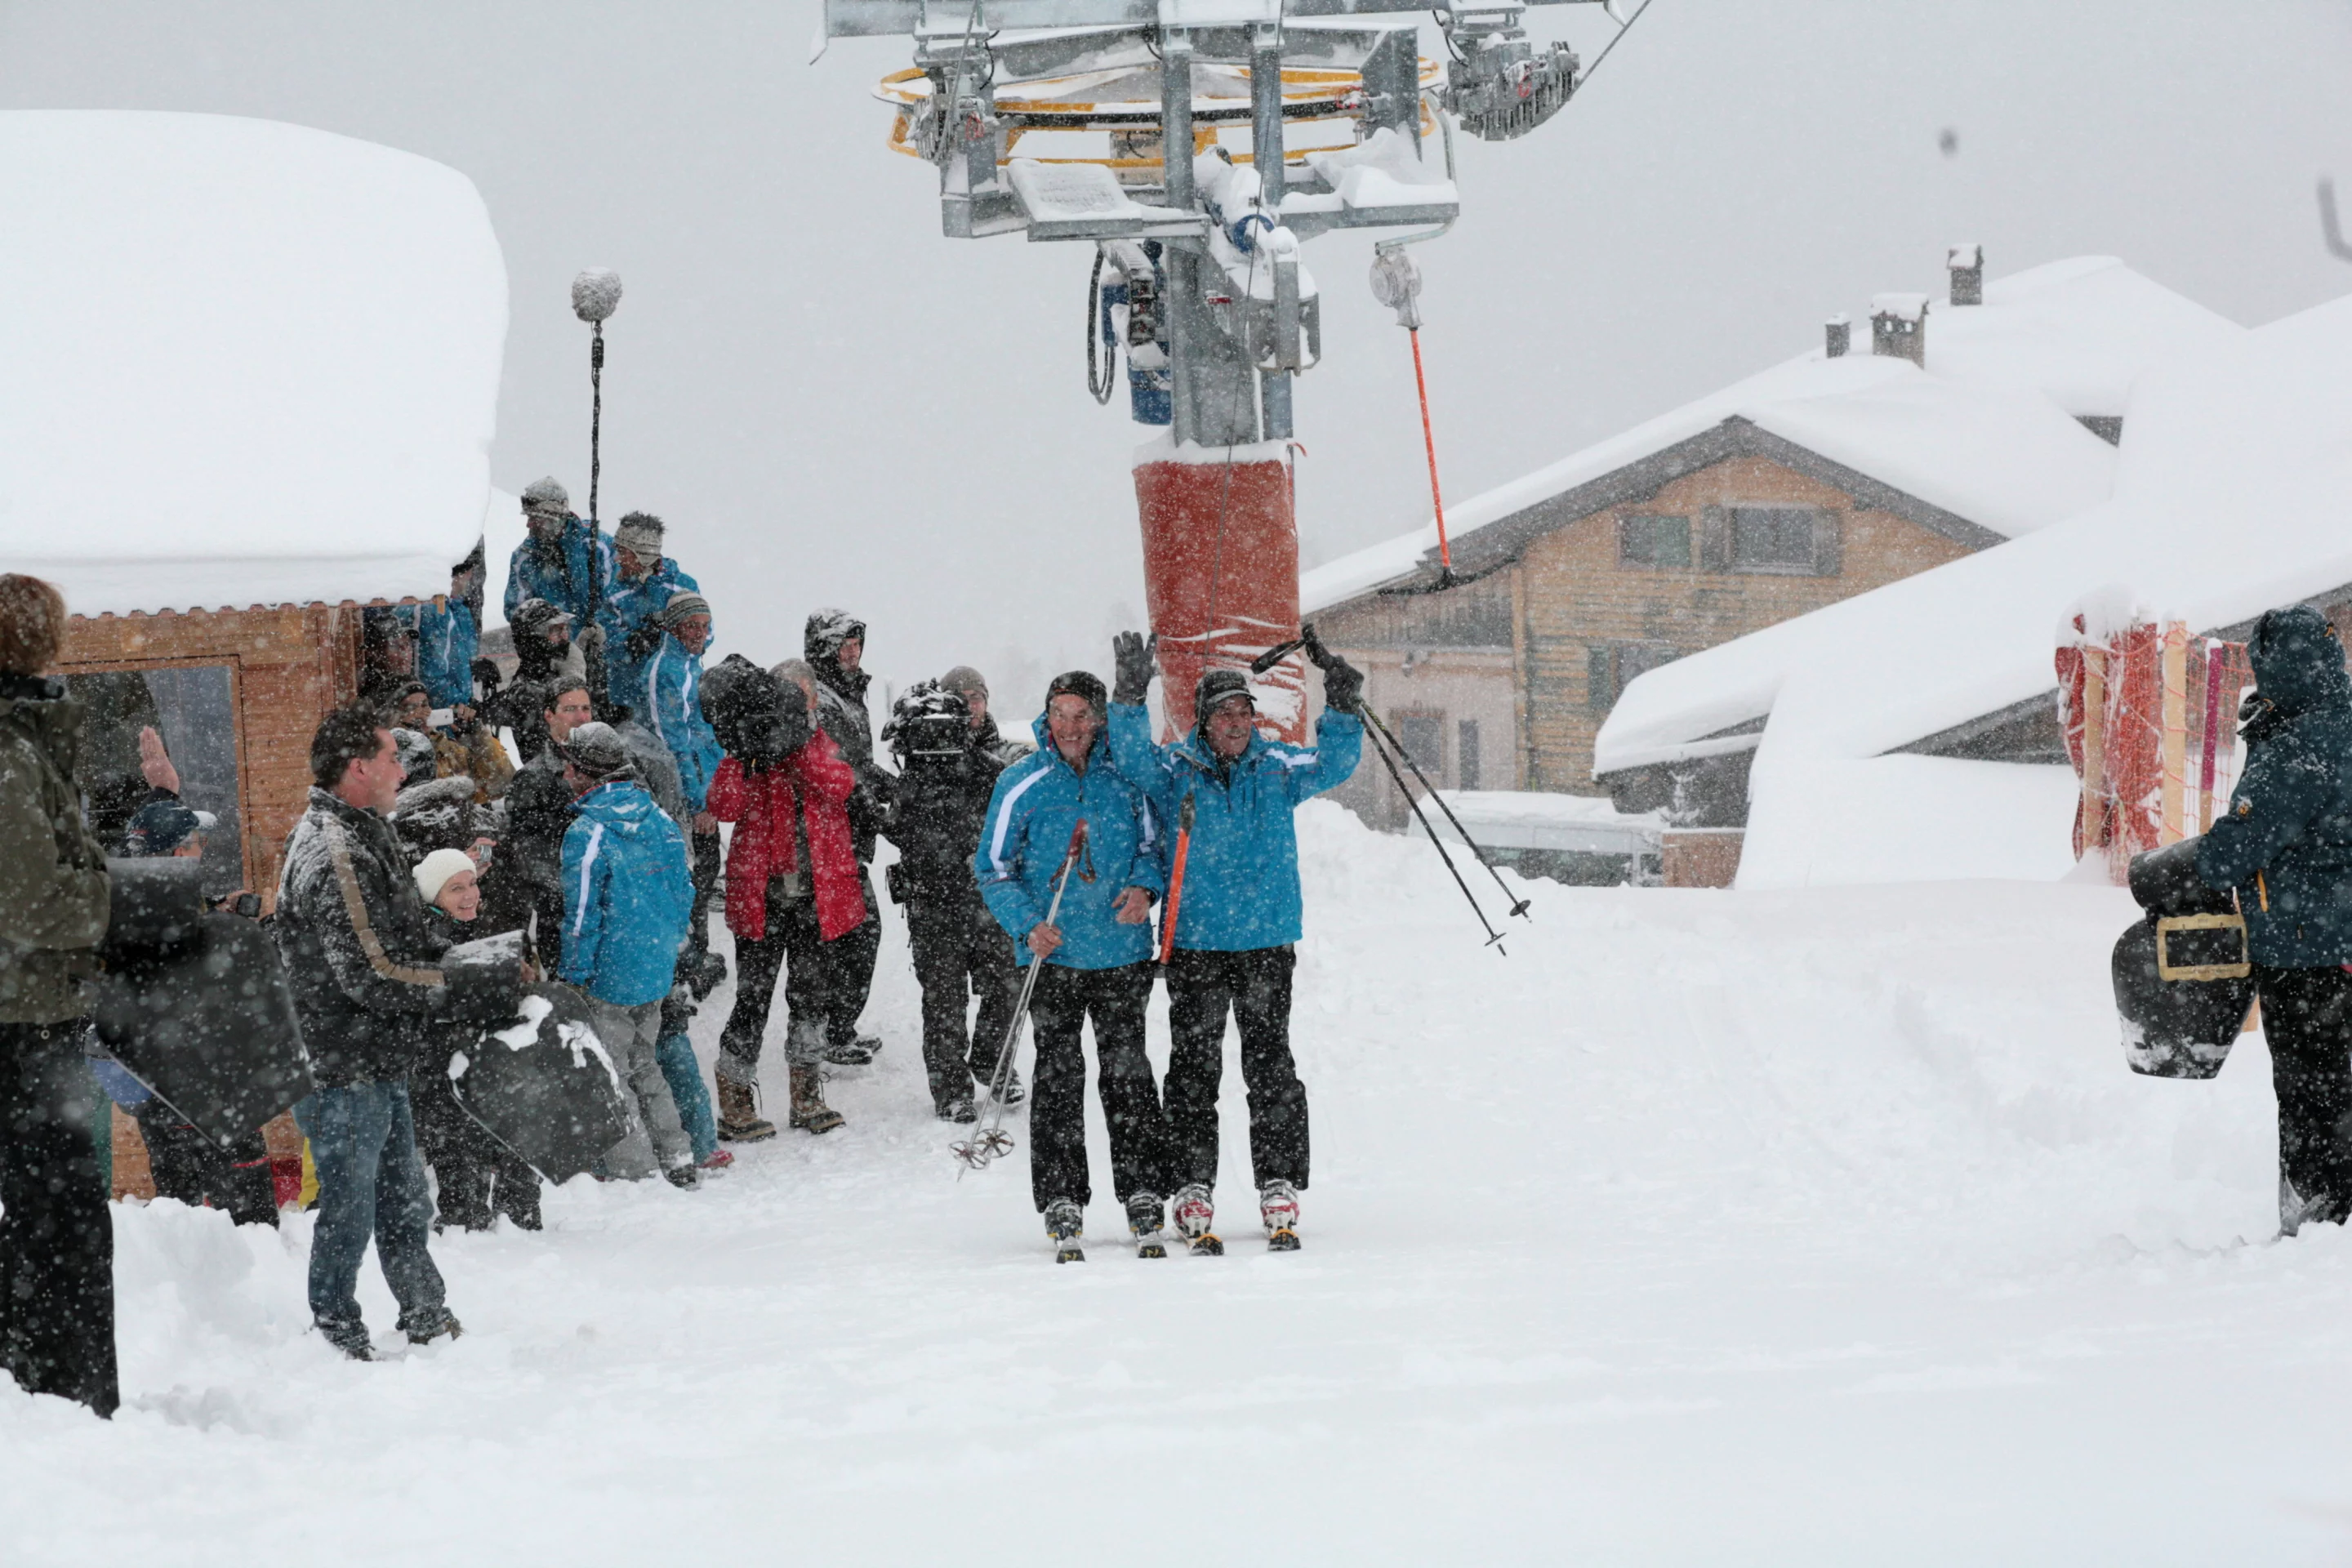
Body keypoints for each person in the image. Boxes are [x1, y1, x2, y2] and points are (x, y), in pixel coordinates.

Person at [1103, 633, 1364, 1253]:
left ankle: (1277, 1180)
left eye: (1245, 713)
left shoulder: (1276, 769)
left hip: (1267, 942)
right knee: (1194, 1069)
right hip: (1195, 944)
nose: (1237, 723)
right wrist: (1128, 694)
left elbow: (1334, 763)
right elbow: (1131, 753)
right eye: (1225, 714)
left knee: (1271, 1063)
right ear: (1203, 721)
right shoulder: (1173, 771)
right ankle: (1192, 1181)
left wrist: (1345, 704)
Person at [278, 706, 514, 1358]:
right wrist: (467, 984)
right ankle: (334, 1331)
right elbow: (370, 971)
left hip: (377, 1054)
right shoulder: (334, 848)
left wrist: (469, 957)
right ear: (357, 768)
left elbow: (406, 934)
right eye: (390, 757)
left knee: (405, 1203)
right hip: (338, 1063)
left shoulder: (366, 829)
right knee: (351, 1210)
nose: (402, 768)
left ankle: (425, 1315)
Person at [975, 670, 1174, 1259]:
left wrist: (1144, 889)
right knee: (1059, 1078)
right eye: (1060, 714)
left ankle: (1142, 1189)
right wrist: (1025, 923)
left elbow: (1153, 849)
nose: (1070, 727)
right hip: (1053, 956)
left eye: (1082, 714)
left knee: (1128, 1075)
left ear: (1101, 719)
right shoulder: (1021, 782)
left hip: (1120, 954)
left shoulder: (1128, 778)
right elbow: (993, 865)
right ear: (1046, 718)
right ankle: (1063, 1196)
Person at [2193, 605, 2352, 1235]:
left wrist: (2197, 860)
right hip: (2333, 936)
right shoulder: (2337, 723)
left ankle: (2321, 1216)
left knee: (2313, 1088)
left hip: (2306, 946)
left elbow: (2241, 846)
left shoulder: (2300, 746)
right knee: (2332, 1081)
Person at [0, 573, 117, 1415]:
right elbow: (33, 900)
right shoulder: (8, 749)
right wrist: (112, 895)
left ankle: (49, 1393)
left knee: (56, 1220)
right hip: (23, 1018)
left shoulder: (25, 738)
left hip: (35, 1011)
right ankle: (62, 1400)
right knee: (61, 1224)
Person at [707, 660, 860, 1138]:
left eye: (800, 693)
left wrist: (794, 749)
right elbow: (723, 804)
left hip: (817, 896)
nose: (789, 702)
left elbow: (840, 785)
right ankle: (734, 1099)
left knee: (812, 997)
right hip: (763, 898)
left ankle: (807, 1095)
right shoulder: (747, 744)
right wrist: (746, 754)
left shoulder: (824, 743)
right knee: (753, 998)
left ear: (813, 698)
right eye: (782, 692)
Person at [116, 798, 279, 1227]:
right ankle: (254, 1279)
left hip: (156, 1085)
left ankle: (193, 1280)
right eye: (195, 842)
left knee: (180, 1205)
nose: (202, 849)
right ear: (176, 852)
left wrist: (216, 907)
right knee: (249, 1215)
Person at [555, 721, 701, 1188]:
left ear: (584, 772)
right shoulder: (659, 819)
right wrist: (668, 944)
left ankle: (635, 1172)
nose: (563, 773)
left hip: (609, 975)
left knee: (610, 1075)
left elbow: (581, 915)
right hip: (655, 967)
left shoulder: (588, 832)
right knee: (646, 1061)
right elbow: (685, 891)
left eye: (569, 765)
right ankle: (677, 1155)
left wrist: (573, 974)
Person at [883, 675, 1024, 1122]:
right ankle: (951, 1089)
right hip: (932, 904)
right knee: (944, 999)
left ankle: (993, 1060)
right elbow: (897, 828)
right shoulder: (914, 779)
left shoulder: (992, 767)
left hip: (990, 900)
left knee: (1006, 986)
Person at [407, 849, 542, 1231]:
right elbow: (444, 991)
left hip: (481, 1060)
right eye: (456, 889)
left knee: (512, 1133)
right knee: (459, 1145)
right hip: (440, 1066)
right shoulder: (426, 936)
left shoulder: (476, 924)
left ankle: (516, 1215)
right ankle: (466, 1221)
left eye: (472, 884)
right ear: (434, 896)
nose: (470, 895)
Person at [803, 609, 890, 1065]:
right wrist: (873, 807)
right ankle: (827, 1032)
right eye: (843, 644)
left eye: (857, 643)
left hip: (848, 836)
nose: (853, 652)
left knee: (856, 933)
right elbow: (835, 769)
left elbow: (858, 761)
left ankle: (837, 1026)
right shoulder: (819, 699)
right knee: (848, 934)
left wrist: (888, 785)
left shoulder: (850, 695)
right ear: (823, 648)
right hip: (829, 837)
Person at [640, 595, 725, 982]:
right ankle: (685, 964)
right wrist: (696, 805)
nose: (699, 633)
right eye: (691, 625)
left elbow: (704, 735)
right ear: (673, 627)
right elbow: (672, 744)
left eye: (704, 625)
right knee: (689, 878)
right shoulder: (665, 669)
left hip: (702, 790)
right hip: (680, 798)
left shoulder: (692, 664)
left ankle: (697, 956)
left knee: (705, 873)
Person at [506, 679, 597, 968]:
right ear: (549, 715)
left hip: (616, 911)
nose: (582, 717)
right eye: (570, 709)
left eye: (586, 708)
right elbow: (528, 858)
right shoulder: (532, 778)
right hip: (565, 917)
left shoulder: (613, 762)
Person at [599, 511, 706, 711]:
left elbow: (705, 635)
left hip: (676, 694)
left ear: (643, 555)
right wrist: (633, 641)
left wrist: (667, 639)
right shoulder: (614, 592)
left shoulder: (682, 587)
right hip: (627, 698)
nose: (618, 559)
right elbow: (605, 640)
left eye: (623, 552)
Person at [505, 478, 614, 629]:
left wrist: (597, 631)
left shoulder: (599, 547)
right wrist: (552, 632)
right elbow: (516, 611)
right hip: (554, 649)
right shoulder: (524, 557)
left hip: (603, 645)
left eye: (534, 518)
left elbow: (617, 599)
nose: (528, 524)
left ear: (553, 517)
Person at [389, 679, 513, 804]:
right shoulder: (383, 757)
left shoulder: (447, 749)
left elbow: (500, 786)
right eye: (410, 708)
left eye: (425, 704)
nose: (422, 713)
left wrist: (478, 739)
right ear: (389, 717)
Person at [491, 599, 581, 763]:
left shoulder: (555, 671)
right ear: (534, 640)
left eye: (565, 629)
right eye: (555, 631)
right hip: (557, 782)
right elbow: (563, 750)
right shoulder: (526, 692)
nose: (564, 638)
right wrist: (573, 684)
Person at [415, 542, 486, 713]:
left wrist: (477, 667)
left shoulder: (458, 608)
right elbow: (431, 677)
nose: (470, 576)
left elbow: (462, 659)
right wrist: (458, 704)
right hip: (445, 715)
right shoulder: (435, 611)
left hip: (461, 710)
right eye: (469, 570)